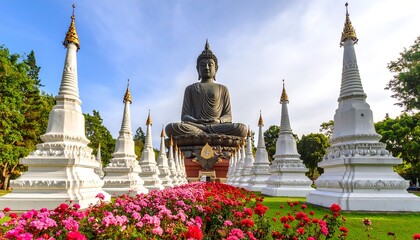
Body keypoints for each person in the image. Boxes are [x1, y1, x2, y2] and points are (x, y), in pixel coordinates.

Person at [165, 40, 247, 138]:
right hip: (196, 125)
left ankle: (203, 133)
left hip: (216, 125)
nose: (206, 68)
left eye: (210, 65)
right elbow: (184, 116)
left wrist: (219, 121)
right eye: (203, 65)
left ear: (216, 68)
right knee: (171, 128)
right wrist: (196, 121)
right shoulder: (190, 88)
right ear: (197, 69)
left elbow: (228, 116)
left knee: (241, 128)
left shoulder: (223, 89)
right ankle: (207, 133)